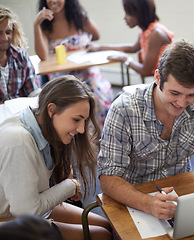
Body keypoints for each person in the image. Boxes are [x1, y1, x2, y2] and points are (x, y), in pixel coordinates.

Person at [98, 40, 194, 239]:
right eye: (175, 93)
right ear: (157, 77)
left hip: (181, 199)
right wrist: (147, 203)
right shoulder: (124, 109)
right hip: (134, 202)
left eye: (191, 94)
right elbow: (108, 177)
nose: (182, 103)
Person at [0, 75, 112, 239]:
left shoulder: (42, 123)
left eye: (84, 121)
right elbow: (28, 212)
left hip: (28, 207)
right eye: (76, 120)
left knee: (107, 225)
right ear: (51, 110)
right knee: (101, 235)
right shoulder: (18, 141)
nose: (81, 129)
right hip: (11, 221)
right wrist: (71, 185)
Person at [34, 0, 113, 128]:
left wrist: (85, 45)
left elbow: (96, 35)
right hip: (62, 77)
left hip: (86, 72)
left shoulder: (78, 16)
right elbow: (42, 56)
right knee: (67, 104)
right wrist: (36, 24)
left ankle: (99, 137)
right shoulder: (45, 25)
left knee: (96, 98)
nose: (54, 1)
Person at [87, 0, 174, 79]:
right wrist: (99, 47)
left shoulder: (156, 34)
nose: (125, 17)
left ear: (140, 13)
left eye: (128, 13)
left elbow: (145, 71)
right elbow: (132, 48)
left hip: (166, 81)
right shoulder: (145, 31)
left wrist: (125, 58)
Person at [0, 6, 40, 104]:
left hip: (19, 113)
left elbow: (34, 91)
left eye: (8, 32)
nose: (4, 38)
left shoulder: (20, 56)